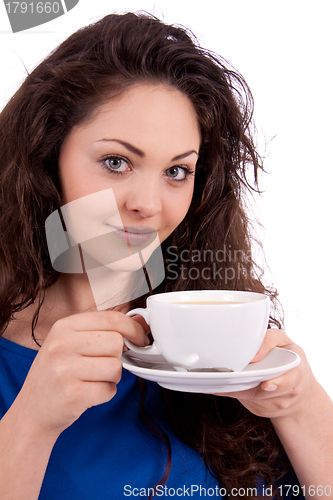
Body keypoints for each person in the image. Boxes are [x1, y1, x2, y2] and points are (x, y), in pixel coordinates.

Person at [0, 12, 332, 500]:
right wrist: (31, 421)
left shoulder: (210, 329)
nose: (148, 205)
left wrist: (299, 404)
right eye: (117, 162)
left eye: (177, 171)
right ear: (47, 156)